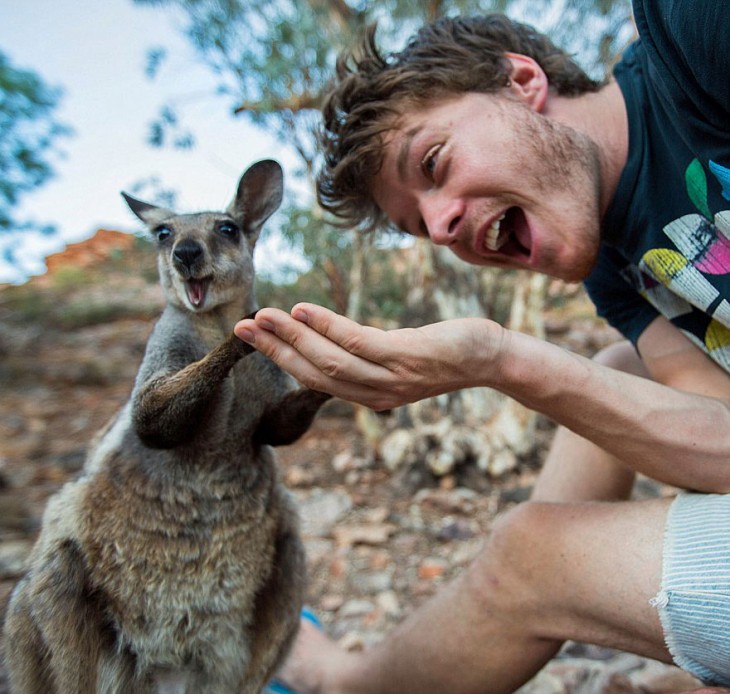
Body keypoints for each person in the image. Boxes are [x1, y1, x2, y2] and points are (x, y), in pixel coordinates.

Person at [235, 2, 730, 692]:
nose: (441, 228)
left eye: (433, 162)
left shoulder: (693, 41)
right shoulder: (616, 272)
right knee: (622, 368)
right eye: (420, 225)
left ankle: (342, 686)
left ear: (521, 80)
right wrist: (498, 360)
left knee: (533, 557)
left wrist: (501, 360)